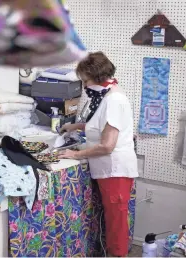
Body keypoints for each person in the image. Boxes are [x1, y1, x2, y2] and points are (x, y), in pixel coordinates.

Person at [58, 51, 138, 257]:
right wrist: (75, 126)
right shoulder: (107, 96)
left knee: (116, 225)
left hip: (115, 171)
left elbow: (107, 145)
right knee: (112, 222)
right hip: (108, 171)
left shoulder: (114, 100)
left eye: (85, 81)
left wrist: (76, 154)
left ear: (98, 76)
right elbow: (100, 126)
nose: (84, 86)